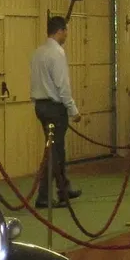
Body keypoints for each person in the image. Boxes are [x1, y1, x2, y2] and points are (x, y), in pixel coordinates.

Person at [28, 15, 82, 206]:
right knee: (54, 152)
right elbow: (62, 85)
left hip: (40, 106)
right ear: (60, 31)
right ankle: (44, 196)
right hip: (54, 107)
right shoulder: (57, 53)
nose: (67, 34)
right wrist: (73, 110)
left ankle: (64, 189)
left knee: (57, 149)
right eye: (66, 30)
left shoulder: (38, 53)